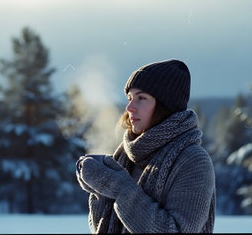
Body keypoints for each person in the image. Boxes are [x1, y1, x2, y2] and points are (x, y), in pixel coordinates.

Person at [76, 59, 216, 233]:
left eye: (141, 98)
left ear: (166, 106)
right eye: (129, 98)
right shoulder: (125, 155)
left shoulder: (193, 161)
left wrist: (119, 188)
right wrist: (100, 190)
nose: (130, 107)